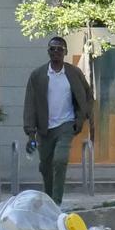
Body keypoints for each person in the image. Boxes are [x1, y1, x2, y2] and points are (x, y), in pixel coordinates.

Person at [21, 35, 92, 205]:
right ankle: (50, 199)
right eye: (52, 49)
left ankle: (57, 203)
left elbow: (88, 96)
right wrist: (31, 133)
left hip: (66, 125)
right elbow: (30, 104)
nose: (56, 52)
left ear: (65, 52)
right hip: (44, 129)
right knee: (46, 167)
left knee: (60, 160)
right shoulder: (38, 75)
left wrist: (81, 119)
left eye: (59, 49)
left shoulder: (74, 73)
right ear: (48, 52)